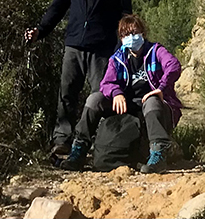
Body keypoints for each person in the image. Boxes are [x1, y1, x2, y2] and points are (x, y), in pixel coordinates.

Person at [25, 0, 132, 156]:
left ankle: (98, 143)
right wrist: (40, 31)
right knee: (67, 95)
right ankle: (62, 140)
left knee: (100, 97)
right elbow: (56, 9)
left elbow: (126, 17)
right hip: (73, 47)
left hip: (102, 50)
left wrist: (122, 47)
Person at [61, 14, 182, 173]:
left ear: (143, 33)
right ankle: (78, 151)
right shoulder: (118, 59)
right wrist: (116, 93)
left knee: (152, 100)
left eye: (134, 33)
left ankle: (158, 154)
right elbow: (106, 83)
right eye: (125, 35)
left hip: (155, 106)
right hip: (127, 105)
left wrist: (161, 88)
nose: (130, 38)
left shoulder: (156, 51)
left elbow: (173, 65)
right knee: (94, 99)